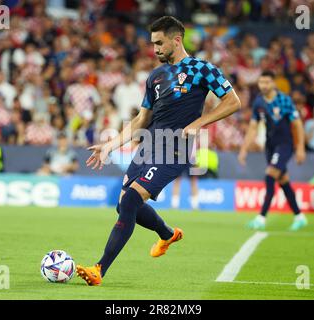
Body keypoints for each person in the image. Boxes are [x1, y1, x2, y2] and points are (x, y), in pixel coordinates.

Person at [76, 16, 241, 286]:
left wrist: (198, 124)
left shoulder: (202, 69)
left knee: (129, 201)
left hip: (174, 151)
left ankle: (99, 270)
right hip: (147, 148)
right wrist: (109, 145)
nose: (155, 49)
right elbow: (142, 119)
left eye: (160, 43)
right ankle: (167, 233)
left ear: (177, 40)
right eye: (153, 44)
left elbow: (233, 102)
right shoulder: (156, 76)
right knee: (123, 206)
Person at [238, 70, 307, 231]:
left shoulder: (284, 100)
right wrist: (244, 149)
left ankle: (261, 218)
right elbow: (253, 127)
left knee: (270, 176)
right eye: (261, 82)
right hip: (270, 146)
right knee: (283, 181)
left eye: (267, 82)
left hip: (284, 145)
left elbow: (297, 124)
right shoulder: (259, 102)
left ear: (273, 83)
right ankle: (299, 216)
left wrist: (300, 148)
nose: (264, 85)